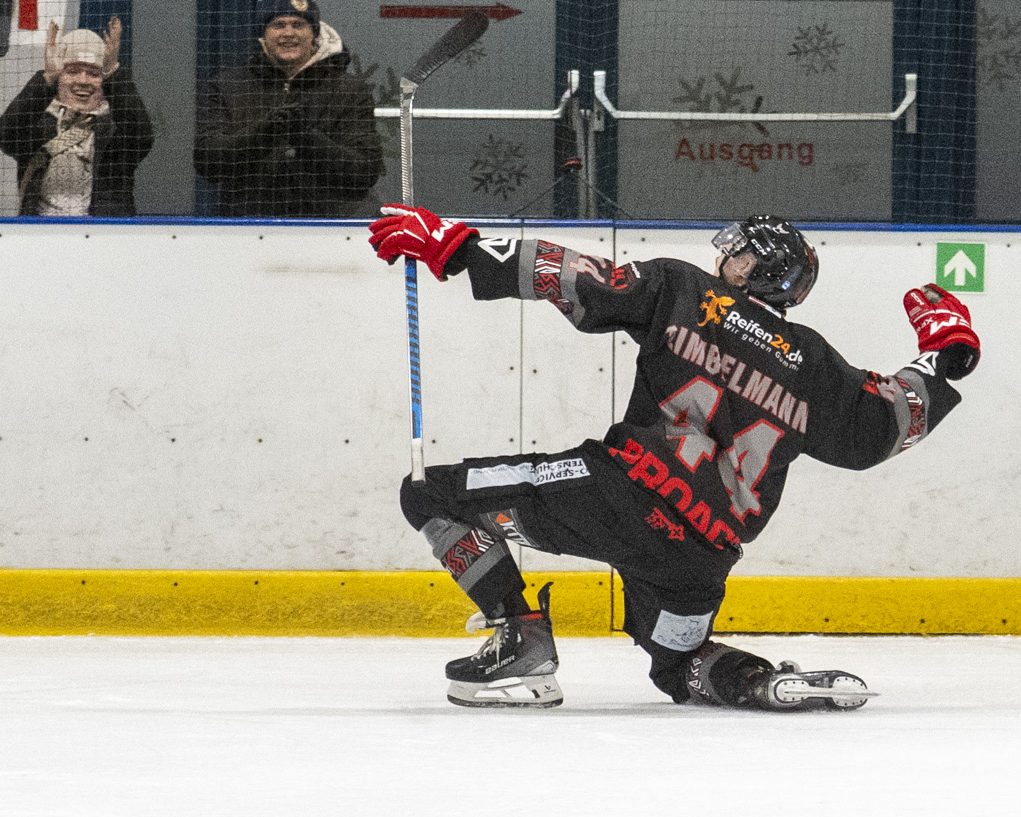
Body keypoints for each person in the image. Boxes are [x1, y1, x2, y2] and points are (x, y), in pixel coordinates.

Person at [368, 206, 977, 709]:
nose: (725, 258)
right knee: (678, 660)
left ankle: (521, 638)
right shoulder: (815, 365)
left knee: (428, 493)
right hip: (702, 555)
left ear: (759, 270)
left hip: (619, 494)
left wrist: (462, 248)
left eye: (739, 253)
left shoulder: (687, 289)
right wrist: (943, 355)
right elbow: (880, 429)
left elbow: (583, 281)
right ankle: (753, 682)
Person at [192, 0, 381, 216]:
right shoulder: (226, 85)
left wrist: (306, 138)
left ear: (314, 33)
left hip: (329, 231)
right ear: (263, 34)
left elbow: (365, 171)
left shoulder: (349, 90)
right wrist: (265, 133)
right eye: (278, 24)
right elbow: (208, 163)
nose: (288, 33)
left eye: (299, 24)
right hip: (247, 231)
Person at [0, 20, 154, 215]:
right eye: (72, 72)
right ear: (59, 79)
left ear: (104, 81)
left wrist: (113, 72)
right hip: (41, 237)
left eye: (94, 74)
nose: (83, 81)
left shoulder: (115, 130)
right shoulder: (37, 124)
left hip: (101, 239)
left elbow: (142, 136)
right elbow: (5, 136)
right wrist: (47, 78)